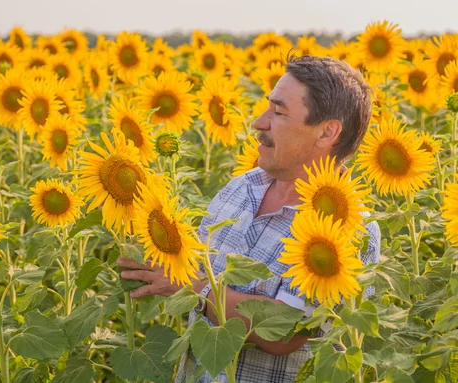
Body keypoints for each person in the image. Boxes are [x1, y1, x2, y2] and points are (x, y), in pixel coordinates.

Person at [117, 55, 381, 383]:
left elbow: (286, 330)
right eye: (267, 107)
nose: (259, 122)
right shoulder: (239, 188)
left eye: (279, 112)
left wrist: (191, 288)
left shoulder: (352, 229)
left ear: (327, 131)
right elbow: (192, 271)